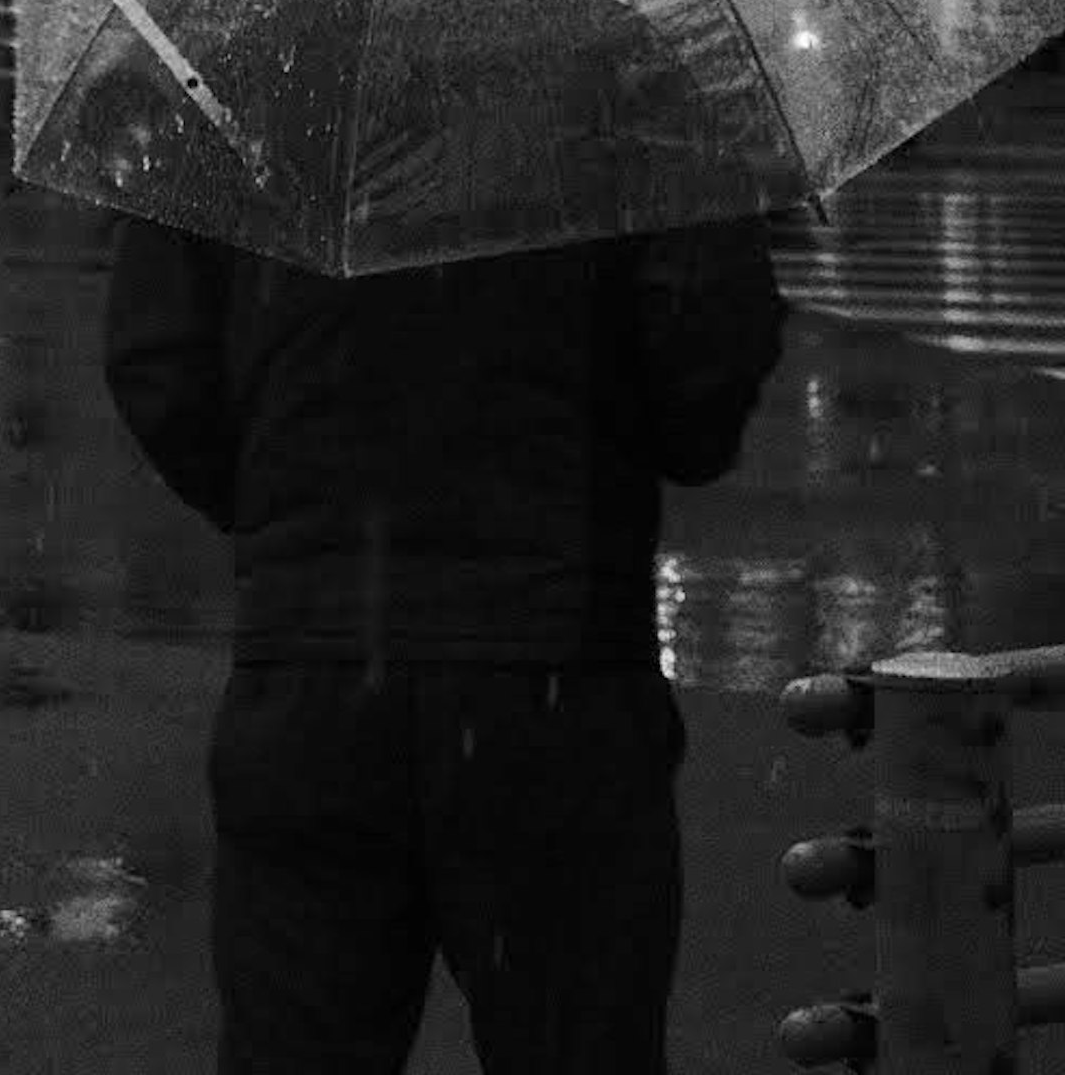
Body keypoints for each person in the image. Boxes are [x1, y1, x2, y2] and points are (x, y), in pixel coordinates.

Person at [104, 153, 786, 1071]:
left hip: (313, 678)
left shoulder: (247, 99)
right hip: (556, 681)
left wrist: (285, 510)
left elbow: (159, 363)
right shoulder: (629, 97)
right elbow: (703, 387)